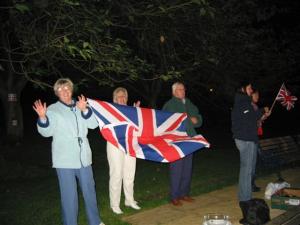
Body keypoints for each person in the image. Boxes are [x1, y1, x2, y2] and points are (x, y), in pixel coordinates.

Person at [33, 78, 105, 225]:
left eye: (67, 88)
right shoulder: (52, 109)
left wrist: (85, 109)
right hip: (64, 160)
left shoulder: (81, 105)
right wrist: (42, 117)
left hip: (84, 158)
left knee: (89, 192)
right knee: (69, 196)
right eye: (61, 89)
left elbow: (93, 125)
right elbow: (46, 132)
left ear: (72, 90)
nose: (65, 91)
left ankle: (95, 221)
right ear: (56, 93)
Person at [231, 81, 270, 224]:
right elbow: (250, 118)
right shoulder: (242, 102)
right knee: (246, 171)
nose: (251, 90)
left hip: (250, 138)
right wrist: (261, 112)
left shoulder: (245, 102)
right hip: (245, 140)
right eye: (249, 88)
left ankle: (246, 198)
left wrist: (261, 113)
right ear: (242, 89)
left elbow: (252, 119)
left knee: (248, 170)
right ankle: (245, 200)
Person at [162, 82, 203, 206]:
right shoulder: (169, 105)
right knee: (177, 169)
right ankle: (174, 196)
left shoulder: (188, 102)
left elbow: (198, 118)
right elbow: (173, 121)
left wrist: (196, 120)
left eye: (184, 89)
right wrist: (190, 119)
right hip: (176, 141)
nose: (183, 91)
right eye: (180, 89)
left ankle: (184, 193)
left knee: (187, 169)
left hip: (189, 139)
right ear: (174, 92)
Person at [107, 87, 141, 214]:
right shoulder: (110, 111)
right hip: (115, 144)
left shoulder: (131, 111)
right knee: (116, 174)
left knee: (130, 173)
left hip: (130, 144)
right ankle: (114, 204)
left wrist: (136, 112)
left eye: (124, 96)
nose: (122, 98)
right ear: (115, 98)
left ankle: (129, 200)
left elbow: (139, 127)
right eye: (119, 96)